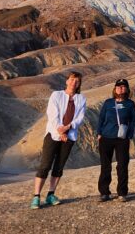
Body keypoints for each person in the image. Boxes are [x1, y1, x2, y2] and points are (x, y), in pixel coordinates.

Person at [31, 71, 86, 209]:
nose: (74, 82)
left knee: (59, 166)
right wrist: (60, 131)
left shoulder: (81, 99)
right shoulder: (57, 95)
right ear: (67, 81)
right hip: (53, 135)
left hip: (69, 136)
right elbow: (52, 114)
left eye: (77, 81)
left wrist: (68, 127)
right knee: (45, 165)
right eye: (72, 79)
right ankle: (36, 196)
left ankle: (50, 194)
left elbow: (80, 118)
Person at [97, 79, 135, 202]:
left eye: (123, 86)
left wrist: (129, 135)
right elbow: (101, 118)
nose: (121, 88)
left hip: (122, 139)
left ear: (127, 89)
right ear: (115, 89)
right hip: (106, 137)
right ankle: (104, 193)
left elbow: (133, 120)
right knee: (105, 165)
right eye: (118, 86)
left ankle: (122, 193)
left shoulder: (130, 104)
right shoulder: (108, 103)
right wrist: (99, 133)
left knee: (122, 165)